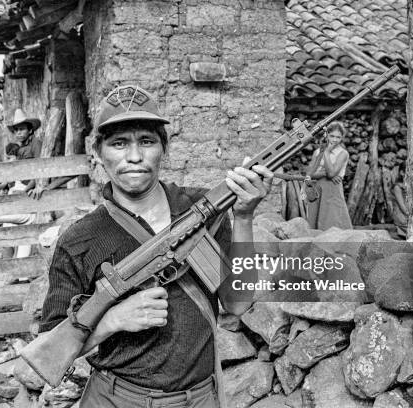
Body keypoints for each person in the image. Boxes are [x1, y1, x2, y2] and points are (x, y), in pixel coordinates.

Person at [39, 85, 273, 408]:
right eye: (119, 143)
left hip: (199, 399)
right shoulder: (79, 240)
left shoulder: (200, 210)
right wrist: (113, 319)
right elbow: (49, 345)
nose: (134, 156)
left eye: (146, 141)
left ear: (164, 147)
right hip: (117, 400)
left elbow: (237, 303)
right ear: (98, 152)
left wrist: (244, 216)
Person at [305, 121, 353, 230]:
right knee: (315, 220)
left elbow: (331, 174)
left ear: (342, 138)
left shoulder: (343, 153)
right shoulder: (317, 152)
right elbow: (309, 174)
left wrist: (326, 152)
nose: (335, 140)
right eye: (332, 136)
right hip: (317, 189)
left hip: (333, 190)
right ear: (327, 135)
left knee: (334, 220)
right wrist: (324, 173)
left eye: (338, 137)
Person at [391, 172, 408, 238]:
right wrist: (410, 216)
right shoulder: (397, 187)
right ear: (401, 172)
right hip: (402, 218)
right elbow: (402, 205)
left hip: (407, 217)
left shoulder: (409, 185)